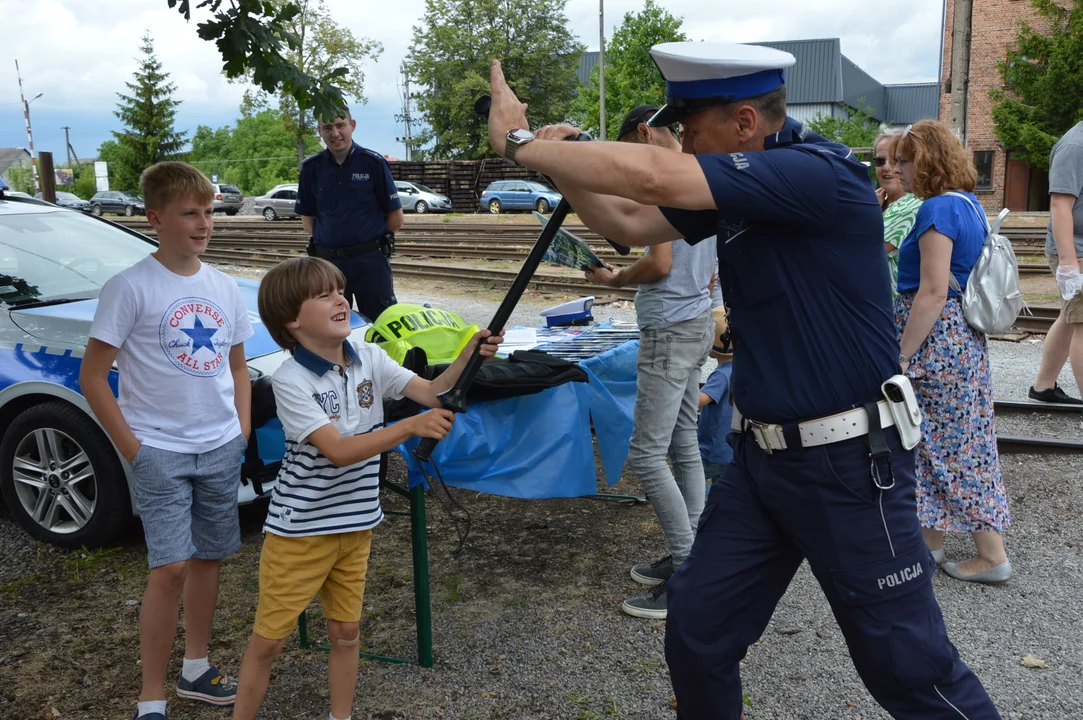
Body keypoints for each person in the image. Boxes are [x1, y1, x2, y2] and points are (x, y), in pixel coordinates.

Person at [483, 42, 1000, 719]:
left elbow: (653, 181)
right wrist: (561, 169)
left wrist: (521, 142)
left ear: (745, 123)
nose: (680, 141)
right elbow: (628, 221)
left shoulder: (814, 173)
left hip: (849, 466)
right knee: (697, 633)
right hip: (762, 464)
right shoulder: (748, 178)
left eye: (689, 127)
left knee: (909, 669)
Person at [233, 256, 502, 720]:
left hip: (356, 523)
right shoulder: (290, 380)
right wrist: (408, 428)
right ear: (292, 321)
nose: (341, 299)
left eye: (340, 290)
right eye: (323, 295)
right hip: (301, 533)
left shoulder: (371, 357)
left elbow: (435, 392)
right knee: (269, 641)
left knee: (346, 633)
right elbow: (337, 450)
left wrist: (468, 355)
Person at [80, 162, 253, 720]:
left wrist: (242, 430)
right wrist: (135, 450)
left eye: (208, 212)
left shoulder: (224, 287)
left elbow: (238, 369)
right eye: (189, 214)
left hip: (220, 444)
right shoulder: (129, 287)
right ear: (156, 218)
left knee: (209, 559)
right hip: (159, 450)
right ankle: (150, 696)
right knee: (170, 567)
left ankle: (196, 669)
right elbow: (93, 377)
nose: (203, 223)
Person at [583, 104, 716, 619]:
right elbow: (707, 269)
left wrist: (616, 279)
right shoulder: (700, 175)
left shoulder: (665, 184)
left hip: (667, 329)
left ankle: (689, 572)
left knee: (645, 455)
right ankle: (697, 554)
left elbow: (659, 263)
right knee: (683, 442)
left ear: (643, 133)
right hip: (696, 324)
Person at [894, 120, 1012, 584]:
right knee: (946, 446)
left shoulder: (937, 211)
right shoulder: (970, 204)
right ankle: (929, 547)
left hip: (935, 343)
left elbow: (933, 291)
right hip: (962, 342)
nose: (897, 168)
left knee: (949, 450)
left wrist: (902, 356)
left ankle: (992, 555)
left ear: (924, 161)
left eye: (903, 160)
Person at [296, 105, 404, 324]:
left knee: (381, 324)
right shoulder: (311, 168)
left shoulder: (373, 163)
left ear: (352, 126)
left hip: (370, 262)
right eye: (327, 127)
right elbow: (308, 220)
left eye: (340, 125)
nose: (335, 133)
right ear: (319, 131)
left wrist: (369, 243)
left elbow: (396, 217)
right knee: (330, 325)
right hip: (328, 263)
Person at [1028, 119, 1083, 405]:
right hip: (1076, 251)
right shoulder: (1075, 145)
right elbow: (1061, 205)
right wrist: (1069, 263)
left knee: (1071, 317)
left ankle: (1043, 386)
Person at [873, 131, 922, 297]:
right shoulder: (881, 200)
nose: (887, 167)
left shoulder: (911, 205)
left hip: (893, 308)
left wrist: (869, 210)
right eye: (880, 161)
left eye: (895, 160)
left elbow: (864, 250)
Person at [698, 306, 734, 485]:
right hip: (730, 450)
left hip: (713, 449)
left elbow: (701, 400)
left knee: (689, 480)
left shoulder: (721, 375)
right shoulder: (740, 370)